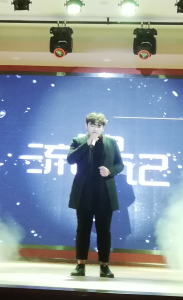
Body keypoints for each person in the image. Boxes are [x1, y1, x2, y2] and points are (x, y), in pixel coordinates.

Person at [66, 112, 124, 278]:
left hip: (104, 193)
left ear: (103, 128)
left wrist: (110, 171)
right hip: (84, 192)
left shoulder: (111, 143)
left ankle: (104, 266)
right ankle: (80, 265)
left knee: (104, 231)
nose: (95, 128)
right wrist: (87, 144)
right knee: (82, 229)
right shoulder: (78, 141)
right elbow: (70, 160)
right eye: (92, 125)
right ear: (86, 126)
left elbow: (120, 164)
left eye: (99, 126)